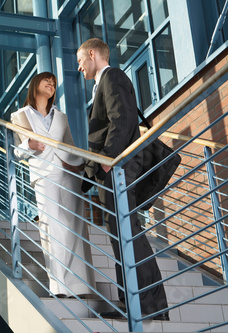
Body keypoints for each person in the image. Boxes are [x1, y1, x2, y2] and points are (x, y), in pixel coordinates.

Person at [77, 38, 169, 320]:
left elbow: (122, 119)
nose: (79, 67)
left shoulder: (112, 77)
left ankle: (144, 306)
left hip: (117, 168)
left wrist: (106, 161)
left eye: (81, 60)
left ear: (92, 54)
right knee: (124, 233)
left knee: (125, 232)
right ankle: (144, 304)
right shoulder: (103, 83)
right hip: (114, 169)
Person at [10, 72, 95, 298]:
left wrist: (79, 165)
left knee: (75, 225)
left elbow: (70, 145)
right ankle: (59, 286)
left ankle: (81, 286)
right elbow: (17, 151)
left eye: (54, 83)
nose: (51, 84)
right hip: (43, 174)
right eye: (47, 80)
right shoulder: (20, 116)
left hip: (68, 171)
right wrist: (29, 143)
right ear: (34, 85)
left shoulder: (61, 116)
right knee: (52, 225)